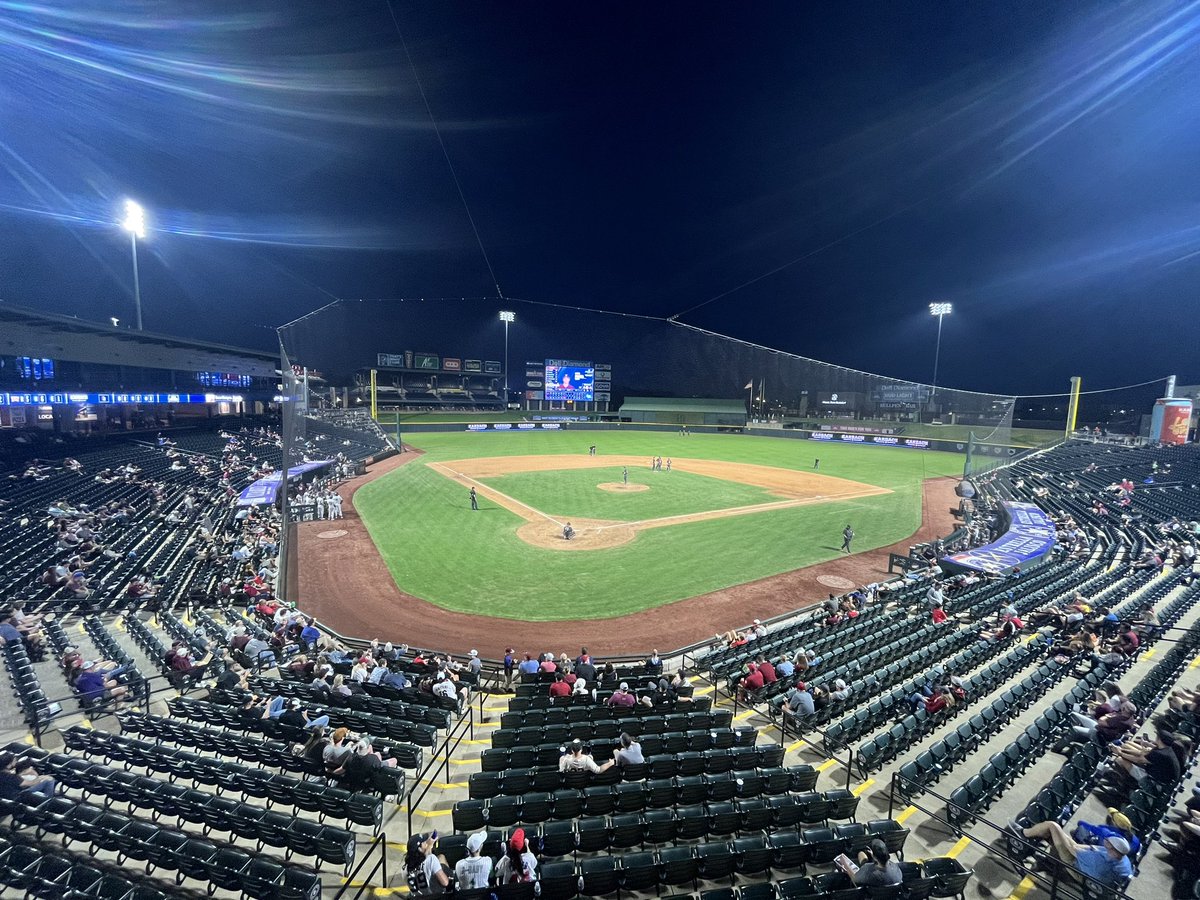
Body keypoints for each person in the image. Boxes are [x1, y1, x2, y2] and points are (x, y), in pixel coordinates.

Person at [1006, 821, 1131, 888]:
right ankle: (1041, 838)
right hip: (1095, 876)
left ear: (1113, 849)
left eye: (1108, 842)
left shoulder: (1098, 861)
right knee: (1059, 835)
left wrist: (1066, 840)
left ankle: (1022, 833)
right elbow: (1090, 848)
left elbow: (1073, 850)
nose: (1106, 842)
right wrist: (1069, 841)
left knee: (1052, 826)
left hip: (1078, 871)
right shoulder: (1122, 859)